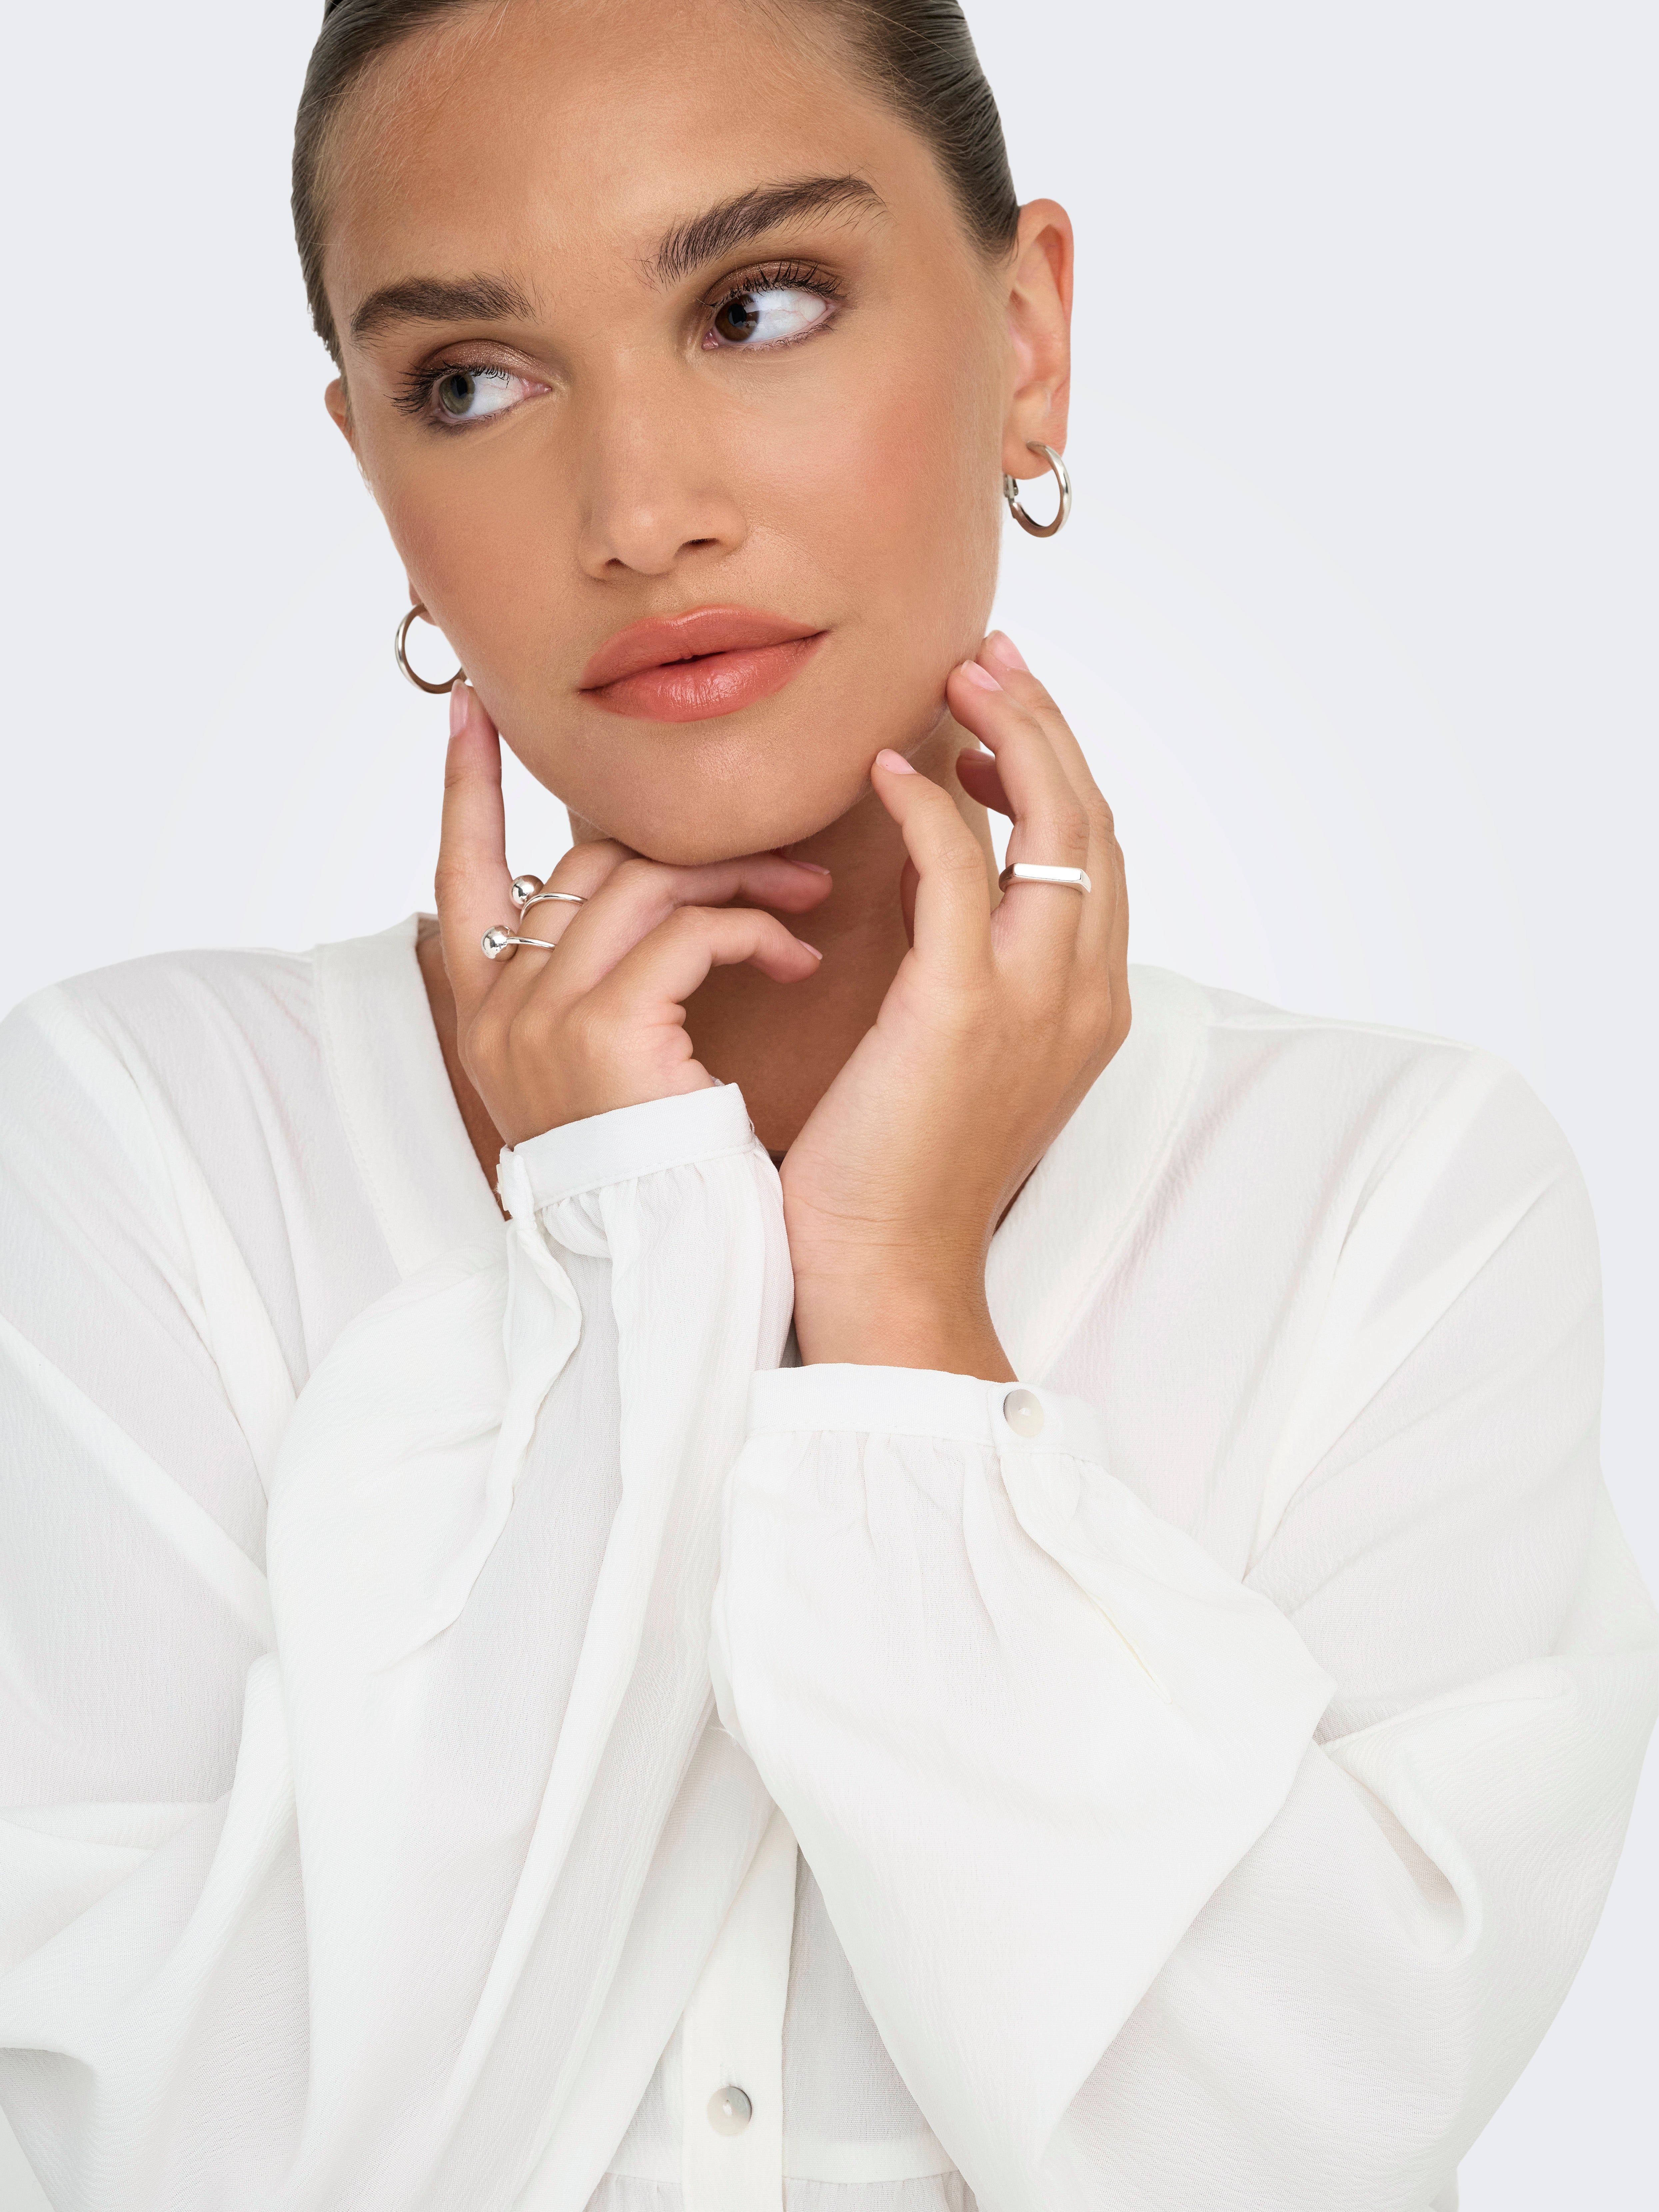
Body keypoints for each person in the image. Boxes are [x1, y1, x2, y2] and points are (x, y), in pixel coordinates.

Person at [0, 1, 1653, 2207]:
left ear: (1027, 337)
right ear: (374, 476)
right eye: (468, 382)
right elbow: (168, 2169)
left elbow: (1291, 2157)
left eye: (757, 306)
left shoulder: (1390, 1197)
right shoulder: (141, 1142)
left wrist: (895, 1311)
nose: (637, 513)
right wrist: (634, 1249)